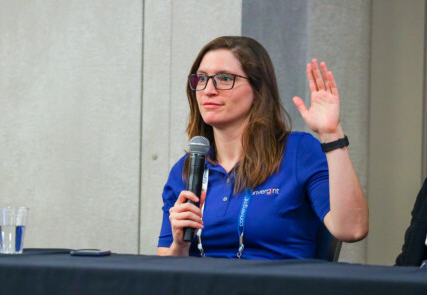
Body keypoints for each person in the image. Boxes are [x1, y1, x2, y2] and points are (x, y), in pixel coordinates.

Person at [157, 36, 368, 259]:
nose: (208, 89)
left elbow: (352, 229)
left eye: (225, 78)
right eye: (201, 79)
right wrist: (179, 246)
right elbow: (166, 267)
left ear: (258, 90)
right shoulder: (187, 169)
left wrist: (331, 133)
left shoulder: (298, 151)